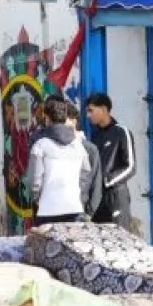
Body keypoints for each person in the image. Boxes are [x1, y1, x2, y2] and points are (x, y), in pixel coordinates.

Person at [29, 96, 96, 225]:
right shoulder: (79, 146)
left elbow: (34, 181)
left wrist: (38, 199)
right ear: (66, 118)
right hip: (74, 208)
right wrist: (77, 196)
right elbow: (86, 174)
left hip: (47, 209)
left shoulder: (40, 145)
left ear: (47, 118)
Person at [85, 92, 136, 230]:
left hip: (116, 198)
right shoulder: (94, 136)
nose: (88, 115)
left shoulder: (121, 132)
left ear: (103, 109)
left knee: (120, 241)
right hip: (97, 200)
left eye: (91, 110)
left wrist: (107, 180)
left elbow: (130, 166)